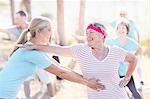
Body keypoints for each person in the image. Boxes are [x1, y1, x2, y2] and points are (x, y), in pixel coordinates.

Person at [21, 22, 137, 99]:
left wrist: (127, 78)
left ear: (102, 35)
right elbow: (58, 50)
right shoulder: (81, 50)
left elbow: (133, 59)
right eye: (86, 33)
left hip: (118, 95)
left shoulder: (115, 52)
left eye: (91, 32)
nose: (87, 35)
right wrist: (36, 46)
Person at [0, 17, 103, 98]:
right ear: (38, 31)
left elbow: (60, 67)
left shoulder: (36, 49)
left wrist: (87, 80)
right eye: (49, 30)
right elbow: (61, 73)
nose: (51, 33)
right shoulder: (32, 53)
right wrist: (88, 83)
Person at [105, 19, 142, 99]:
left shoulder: (132, 42)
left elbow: (139, 49)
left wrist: (133, 57)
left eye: (123, 28)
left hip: (127, 74)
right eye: (119, 28)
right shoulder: (110, 42)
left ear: (127, 30)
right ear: (116, 30)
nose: (121, 30)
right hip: (115, 74)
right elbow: (100, 46)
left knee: (135, 93)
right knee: (118, 95)